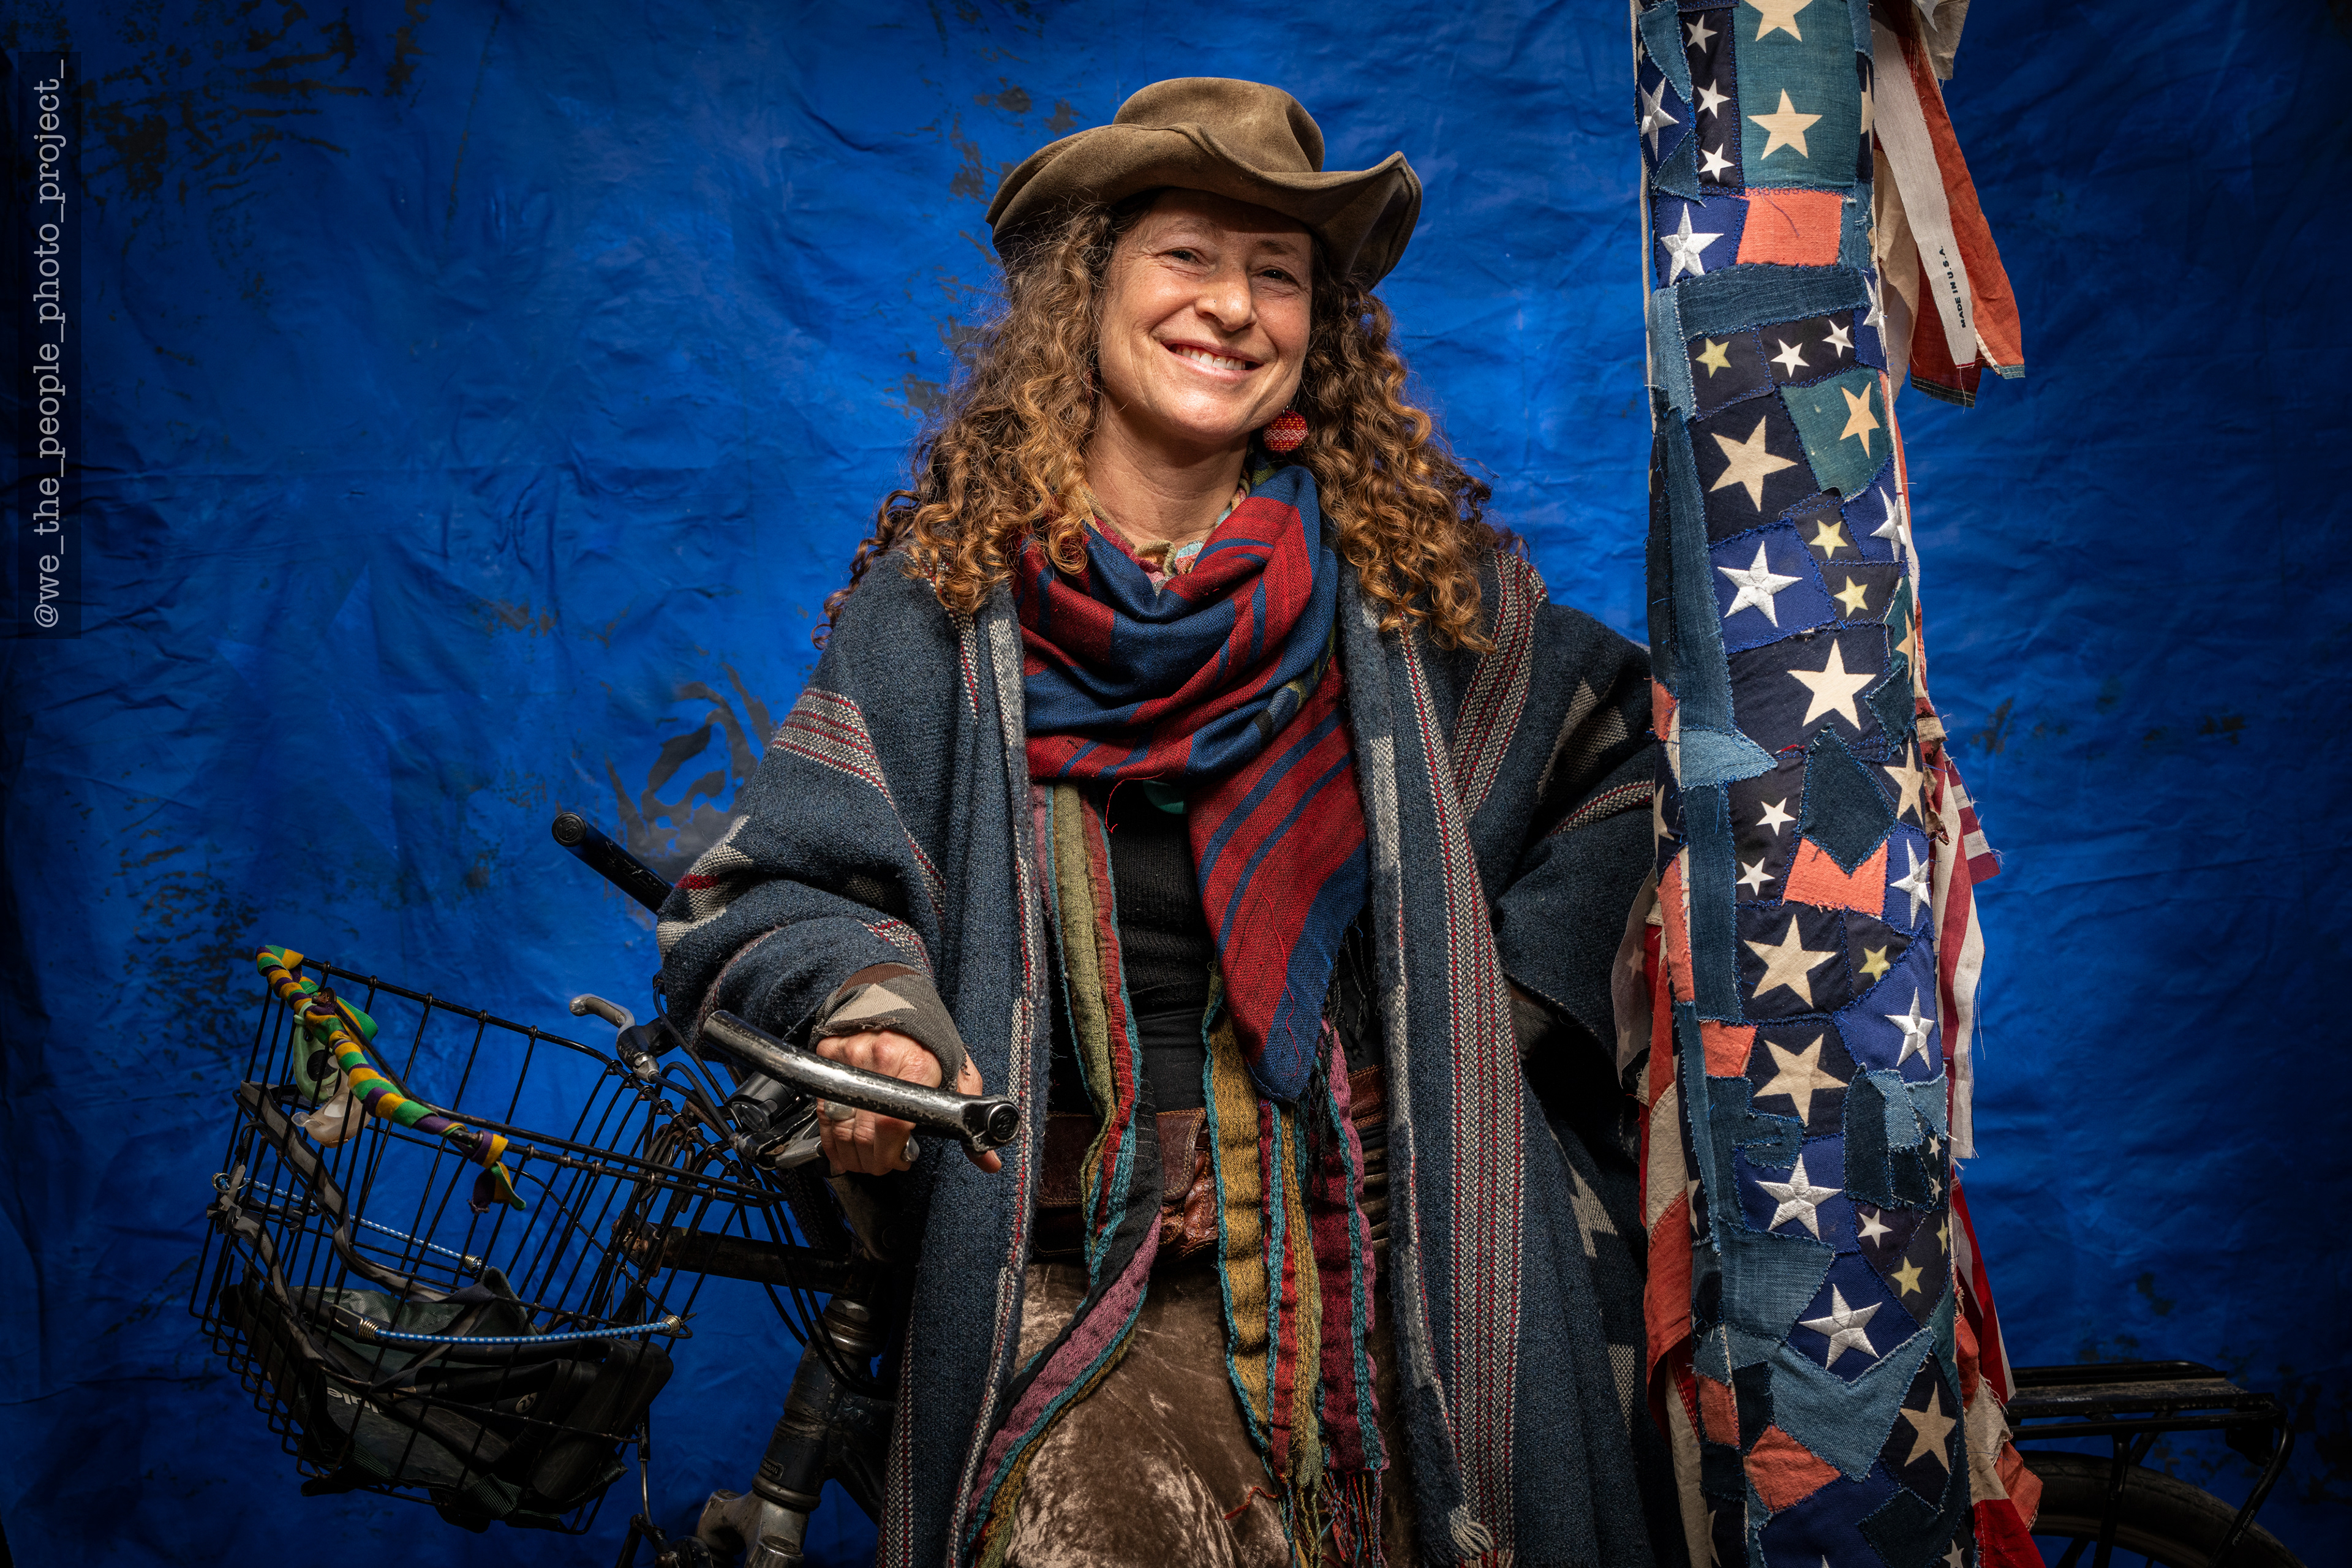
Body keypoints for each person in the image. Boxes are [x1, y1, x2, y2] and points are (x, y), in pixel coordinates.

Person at [657, 77, 1681, 1568]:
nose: (1235, 308)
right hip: (1064, 1264)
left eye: (1279, 274)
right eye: (1188, 257)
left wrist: (1482, 1010)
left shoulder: (1410, 592)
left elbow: (1628, 760)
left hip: (1390, 1267)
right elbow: (770, 886)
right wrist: (874, 1011)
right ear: (1092, 291)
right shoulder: (946, 607)